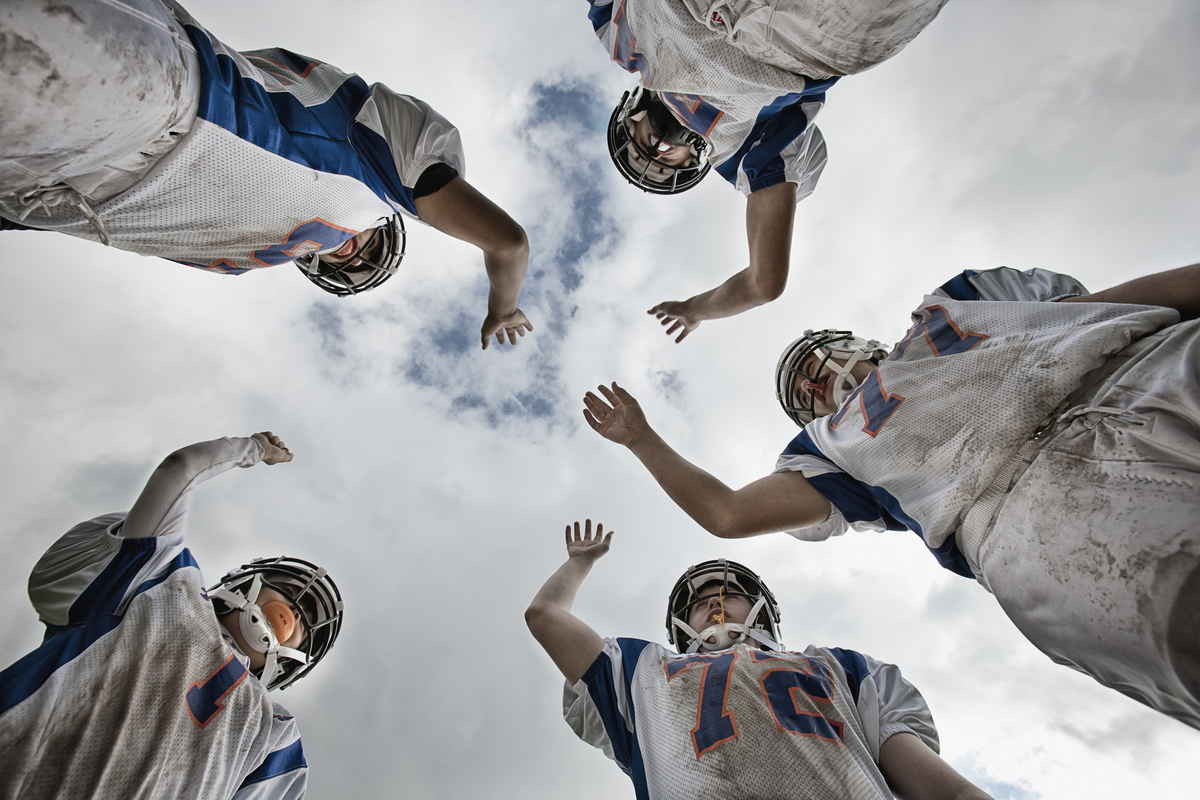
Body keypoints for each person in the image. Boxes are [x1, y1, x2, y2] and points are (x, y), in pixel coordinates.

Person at [582, 263, 1200, 728]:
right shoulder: (830, 448)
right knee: (1183, 611)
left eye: (814, 365)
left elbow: (1115, 306)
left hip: (1135, 373)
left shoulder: (954, 303)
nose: (817, 383)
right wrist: (641, 439)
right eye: (804, 394)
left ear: (854, 341)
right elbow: (728, 513)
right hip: (1026, 515)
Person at [0, 0, 531, 349]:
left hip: (54, 193)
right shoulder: (382, 174)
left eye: (350, 267)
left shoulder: (242, 258)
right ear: (389, 223)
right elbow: (508, 243)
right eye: (369, 248)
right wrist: (503, 308)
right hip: (172, 99)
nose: (353, 255)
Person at [525, 521, 993, 799]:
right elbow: (545, 616)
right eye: (700, 601)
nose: (714, 603)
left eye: (729, 594)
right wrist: (580, 563)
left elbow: (946, 791)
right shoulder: (643, 675)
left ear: (761, 609)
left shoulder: (841, 667)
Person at [0, 432, 343, 799]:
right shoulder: (161, 585)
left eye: (307, 621)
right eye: (291, 592)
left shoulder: (275, 736)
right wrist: (253, 448)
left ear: (293, 662)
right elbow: (179, 470)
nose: (295, 611)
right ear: (246, 584)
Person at [582, 0, 948, 341]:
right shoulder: (739, 150)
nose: (652, 154)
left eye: (635, 152)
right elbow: (763, 282)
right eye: (661, 168)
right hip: (797, 34)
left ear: (629, 118)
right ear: (690, 163)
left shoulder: (619, 37)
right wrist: (695, 310)